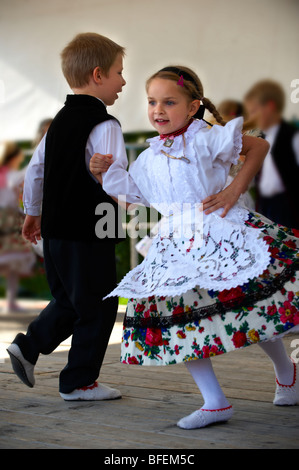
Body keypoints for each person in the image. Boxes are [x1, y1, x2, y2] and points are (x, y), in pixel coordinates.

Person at [90, 66, 299, 429]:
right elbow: (129, 198)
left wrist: (234, 191)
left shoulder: (207, 136)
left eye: (169, 102)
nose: (158, 110)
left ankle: (287, 374)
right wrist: (101, 173)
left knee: (250, 306)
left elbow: (258, 146)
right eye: (152, 102)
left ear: (192, 107)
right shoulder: (149, 157)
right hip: (175, 246)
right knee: (180, 318)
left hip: (222, 233)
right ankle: (214, 401)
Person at [6, 32, 139, 401]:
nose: (123, 81)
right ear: (99, 75)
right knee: (99, 304)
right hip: (91, 228)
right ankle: (78, 382)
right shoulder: (105, 125)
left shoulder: (59, 123)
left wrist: (32, 213)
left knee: (70, 299)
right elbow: (114, 180)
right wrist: (141, 203)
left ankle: (28, 347)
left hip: (56, 230)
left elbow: (35, 171)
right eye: (119, 72)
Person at [244, 79, 299, 229]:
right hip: (265, 204)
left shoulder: (292, 137)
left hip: (288, 205)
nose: (252, 117)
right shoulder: (260, 138)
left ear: (270, 107)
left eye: (254, 111)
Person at [0, 142, 35, 313]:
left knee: (11, 263)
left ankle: (11, 301)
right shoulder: (10, 175)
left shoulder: (7, 174)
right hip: (6, 220)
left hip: (8, 218)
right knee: (11, 262)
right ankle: (11, 301)